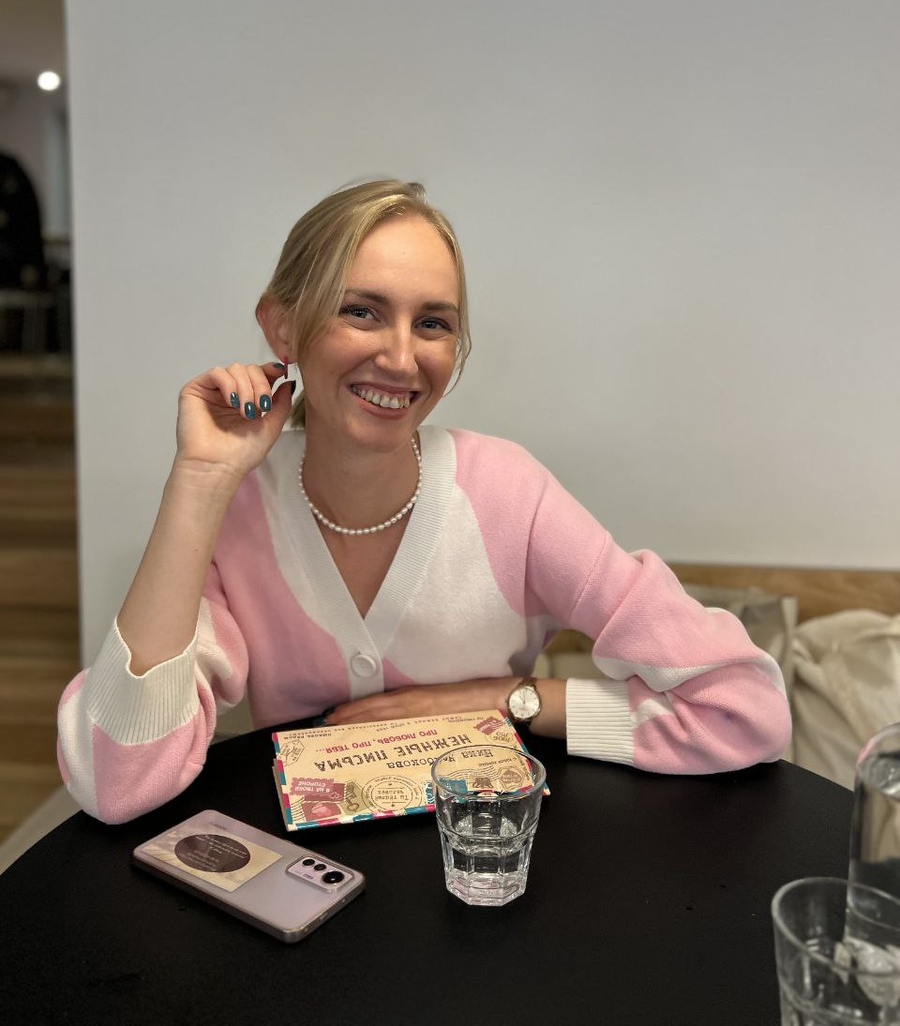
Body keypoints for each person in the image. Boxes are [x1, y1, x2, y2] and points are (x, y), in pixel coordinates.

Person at [57, 178, 792, 824]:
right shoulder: (237, 503)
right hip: (312, 896)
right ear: (282, 326)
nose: (403, 358)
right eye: (362, 312)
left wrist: (509, 698)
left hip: (491, 875)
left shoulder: (510, 495)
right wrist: (200, 480)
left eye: (433, 323)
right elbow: (118, 783)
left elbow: (744, 709)